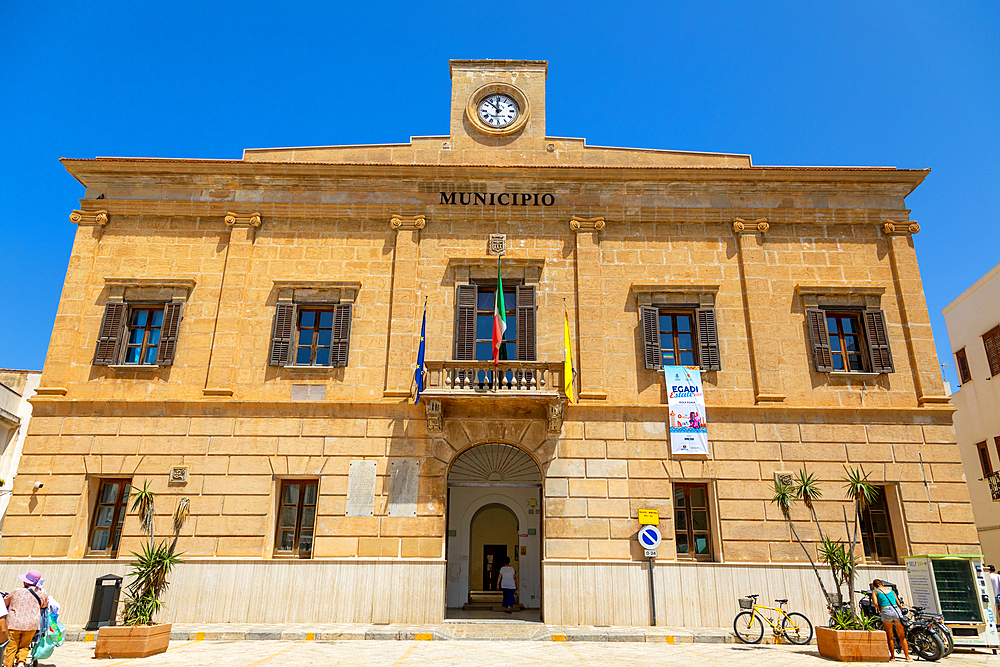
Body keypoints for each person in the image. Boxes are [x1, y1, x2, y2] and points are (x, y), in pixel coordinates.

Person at [4, 571, 47, 667]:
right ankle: (21, 662)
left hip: (14, 623)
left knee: (11, 647)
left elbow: (5, 603)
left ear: (25, 582)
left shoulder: (17, 591)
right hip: (31, 625)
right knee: (25, 645)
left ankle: (8, 665)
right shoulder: (42, 592)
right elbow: (44, 605)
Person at [871, 579, 910, 662]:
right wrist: (900, 610)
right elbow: (898, 603)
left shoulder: (875, 591)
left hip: (886, 611)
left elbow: (875, 603)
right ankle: (907, 657)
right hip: (896, 610)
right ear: (882, 584)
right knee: (902, 635)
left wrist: (879, 608)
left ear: (874, 586)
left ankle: (892, 656)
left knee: (890, 636)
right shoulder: (891, 589)